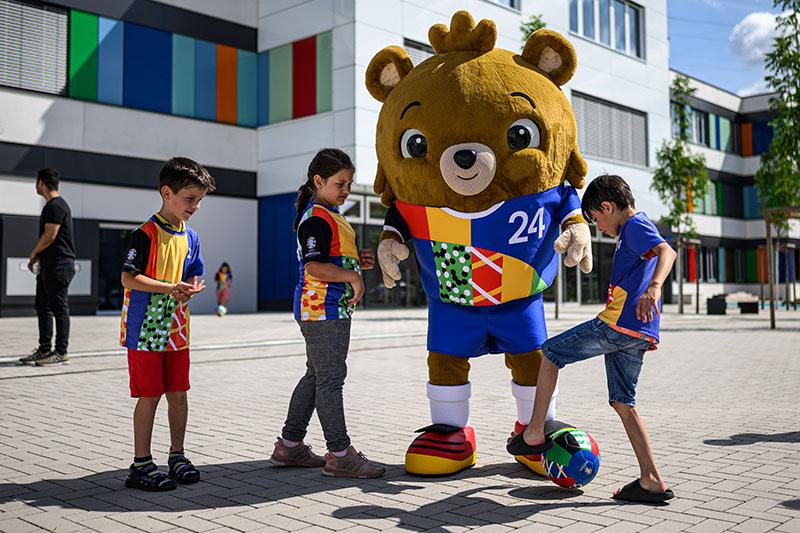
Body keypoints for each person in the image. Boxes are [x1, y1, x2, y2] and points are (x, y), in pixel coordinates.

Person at [507, 174, 677, 504]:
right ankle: (652, 479)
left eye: (597, 219)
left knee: (551, 352)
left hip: (619, 324)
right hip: (639, 333)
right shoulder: (632, 231)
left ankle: (534, 431)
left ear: (608, 206)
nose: (598, 226)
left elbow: (666, 251)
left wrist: (655, 288)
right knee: (623, 402)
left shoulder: (635, 225)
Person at [269, 148, 384, 478]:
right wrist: (351, 276)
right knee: (331, 379)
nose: (346, 190)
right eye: (340, 183)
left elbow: (329, 260)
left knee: (317, 376)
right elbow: (314, 266)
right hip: (323, 311)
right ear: (318, 181)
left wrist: (353, 262)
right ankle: (340, 454)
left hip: (327, 310)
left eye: (349, 183)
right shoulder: (317, 218)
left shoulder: (330, 215)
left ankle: (289, 446)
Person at [119, 157, 215, 491]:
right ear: (166, 192)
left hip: (177, 329)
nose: (196, 206)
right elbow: (128, 278)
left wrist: (190, 288)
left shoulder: (192, 236)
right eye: (190, 199)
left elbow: (194, 272)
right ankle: (141, 465)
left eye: (200, 200)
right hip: (145, 330)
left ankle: (177, 456)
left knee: (178, 393)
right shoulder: (145, 234)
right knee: (149, 395)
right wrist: (169, 288)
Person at [20, 168, 76, 366]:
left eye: (37, 182)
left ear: (41, 183)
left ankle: (61, 352)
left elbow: (50, 235)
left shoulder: (56, 206)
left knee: (59, 308)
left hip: (59, 265)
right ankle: (44, 349)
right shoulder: (54, 206)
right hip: (51, 265)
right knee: (43, 307)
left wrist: (33, 253)